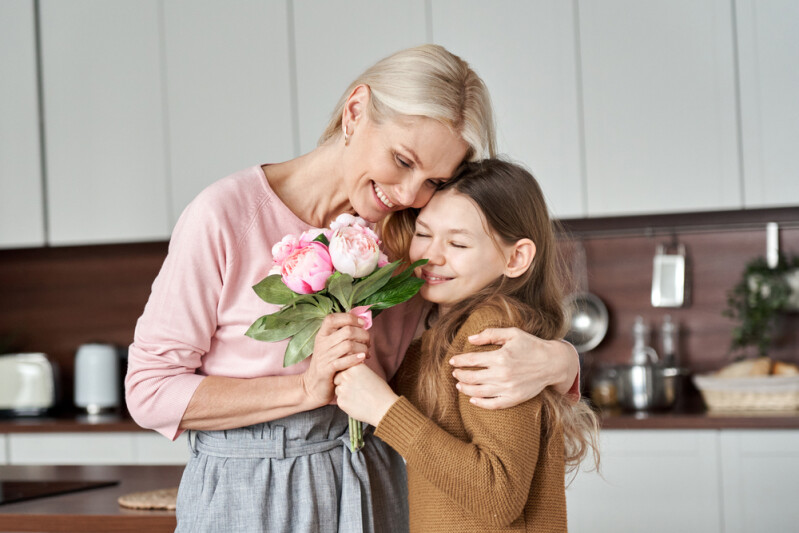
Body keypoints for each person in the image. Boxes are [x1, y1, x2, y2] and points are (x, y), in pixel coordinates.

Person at [125, 45, 580, 533]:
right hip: (250, 488)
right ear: (356, 111)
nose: (408, 194)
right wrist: (303, 389)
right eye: (402, 160)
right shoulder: (225, 217)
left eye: (434, 180)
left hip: (372, 473)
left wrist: (564, 361)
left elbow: (469, 333)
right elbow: (150, 391)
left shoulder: (415, 234)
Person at [334, 159, 600, 533]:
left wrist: (384, 409)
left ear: (516, 258)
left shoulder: (488, 332)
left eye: (458, 242)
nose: (432, 256)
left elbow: (497, 494)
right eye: (424, 234)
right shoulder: (440, 326)